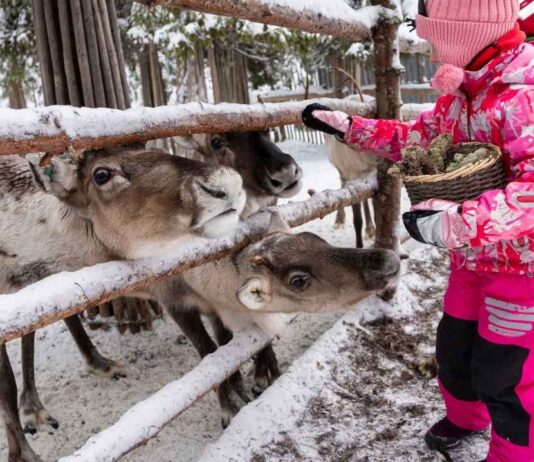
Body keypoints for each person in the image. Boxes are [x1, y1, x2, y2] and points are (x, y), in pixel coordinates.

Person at [302, 1, 534, 461]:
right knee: (455, 348)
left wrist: (459, 222)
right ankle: (468, 418)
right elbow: (417, 139)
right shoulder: (461, 96)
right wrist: (353, 130)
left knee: (505, 371)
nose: (427, 51)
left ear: (466, 35)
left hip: (521, 269)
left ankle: (515, 452)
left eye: (435, 40)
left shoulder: (523, 98)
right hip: (470, 260)